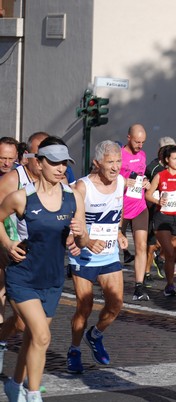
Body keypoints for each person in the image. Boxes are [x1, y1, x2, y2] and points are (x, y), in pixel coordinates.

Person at [0, 136, 88, 402]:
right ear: (39, 163)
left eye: (64, 163)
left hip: (52, 279)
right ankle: (34, 394)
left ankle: (15, 385)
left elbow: (80, 241)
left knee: (32, 336)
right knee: (42, 335)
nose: (60, 168)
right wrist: (7, 243)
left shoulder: (73, 198)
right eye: (54, 162)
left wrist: (80, 237)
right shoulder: (21, 197)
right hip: (23, 276)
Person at [66, 141, 127, 374]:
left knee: (116, 304)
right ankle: (73, 350)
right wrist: (81, 239)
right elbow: (69, 221)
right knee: (85, 307)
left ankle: (95, 334)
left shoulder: (120, 182)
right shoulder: (82, 187)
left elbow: (116, 212)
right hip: (83, 256)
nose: (115, 167)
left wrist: (120, 232)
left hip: (109, 253)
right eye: (110, 162)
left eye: (118, 161)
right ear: (97, 163)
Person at [0, 132, 48, 374]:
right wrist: (8, 244)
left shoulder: (56, 182)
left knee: (24, 323)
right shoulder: (12, 180)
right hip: (6, 254)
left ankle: (28, 381)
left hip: (38, 261)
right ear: (27, 156)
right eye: (39, 155)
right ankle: (30, 385)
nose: (44, 161)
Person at [145, 145, 176, 297]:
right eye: (174, 158)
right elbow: (148, 195)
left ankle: (160, 256)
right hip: (163, 219)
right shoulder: (160, 176)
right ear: (167, 160)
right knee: (171, 255)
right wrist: (158, 201)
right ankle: (170, 285)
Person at [119, 124, 151, 301]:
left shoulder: (142, 155)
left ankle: (139, 286)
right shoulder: (119, 155)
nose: (140, 145)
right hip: (121, 207)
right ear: (128, 137)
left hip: (139, 205)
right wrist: (123, 182)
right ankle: (109, 282)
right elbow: (108, 176)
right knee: (116, 246)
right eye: (137, 141)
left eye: (143, 142)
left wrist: (145, 181)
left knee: (141, 246)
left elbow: (141, 174)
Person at [143, 137, 176, 284]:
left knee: (175, 238)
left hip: (171, 210)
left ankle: (161, 257)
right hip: (153, 210)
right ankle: (146, 273)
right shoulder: (153, 168)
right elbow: (145, 188)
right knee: (150, 245)